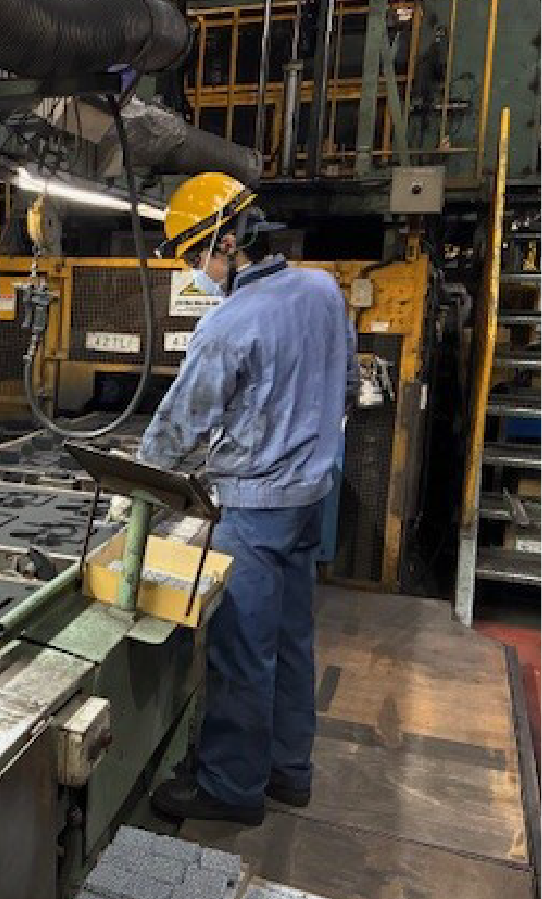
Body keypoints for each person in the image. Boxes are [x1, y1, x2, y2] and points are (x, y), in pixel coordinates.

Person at [139, 173, 358, 826]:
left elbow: (181, 423)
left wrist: (141, 482)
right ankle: (288, 771)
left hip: (256, 507)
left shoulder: (229, 322)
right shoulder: (323, 290)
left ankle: (230, 788)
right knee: (290, 640)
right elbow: (347, 384)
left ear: (228, 243)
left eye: (194, 256)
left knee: (241, 650)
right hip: (310, 498)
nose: (195, 273)